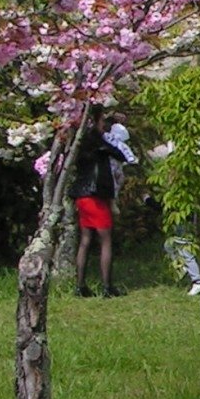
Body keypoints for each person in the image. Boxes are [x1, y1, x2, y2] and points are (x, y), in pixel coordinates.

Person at [72, 105, 124, 296]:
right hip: (95, 196)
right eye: (103, 121)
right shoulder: (97, 142)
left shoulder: (81, 141)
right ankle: (107, 286)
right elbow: (121, 155)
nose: (105, 125)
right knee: (106, 239)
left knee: (85, 239)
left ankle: (80, 286)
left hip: (82, 195)